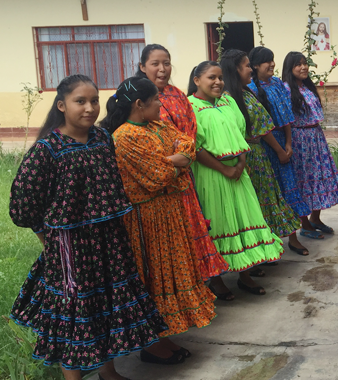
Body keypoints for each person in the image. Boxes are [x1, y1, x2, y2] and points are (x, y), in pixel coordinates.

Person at [8, 74, 166, 380]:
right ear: (62, 106)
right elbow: (24, 205)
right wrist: (49, 240)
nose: (90, 108)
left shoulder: (102, 139)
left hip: (110, 242)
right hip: (71, 249)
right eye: (80, 101)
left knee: (105, 305)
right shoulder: (47, 150)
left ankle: (109, 372)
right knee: (75, 313)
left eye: (94, 100)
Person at [101, 76, 216, 364]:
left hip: (169, 214)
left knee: (174, 275)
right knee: (156, 278)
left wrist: (176, 159)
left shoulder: (156, 125)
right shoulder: (124, 137)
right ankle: (152, 345)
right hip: (147, 222)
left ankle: (164, 335)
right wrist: (175, 163)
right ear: (139, 104)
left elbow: (187, 143)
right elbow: (157, 177)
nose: (160, 105)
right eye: (155, 101)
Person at [188, 60, 284, 299]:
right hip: (211, 175)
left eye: (220, 77)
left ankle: (245, 274)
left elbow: (241, 134)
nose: (218, 82)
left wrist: (240, 164)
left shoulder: (229, 102)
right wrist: (223, 169)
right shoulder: (189, 107)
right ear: (197, 80)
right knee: (220, 223)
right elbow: (195, 147)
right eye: (211, 77)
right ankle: (217, 280)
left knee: (244, 219)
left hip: (239, 173)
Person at [137, 43, 229, 280]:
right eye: (155, 64)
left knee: (192, 229)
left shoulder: (177, 94)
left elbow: (190, 131)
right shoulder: (137, 97)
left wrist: (183, 156)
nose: (162, 69)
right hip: (156, 182)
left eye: (166, 63)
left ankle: (204, 281)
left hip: (184, 173)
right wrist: (170, 160)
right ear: (142, 67)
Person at [220, 49, 301, 242]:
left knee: (267, 199)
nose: (250, 70)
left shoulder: (245, 93)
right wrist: (280, 150)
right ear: (236, 70)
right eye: (247, 66)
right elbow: (260, 130)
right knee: (254, 203)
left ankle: (266, 244)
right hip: (247, 158)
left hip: (259, 157)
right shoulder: (228, 99)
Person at [247, 46, 314, 256]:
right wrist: (278, 150)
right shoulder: (251, 89)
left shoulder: (276, 83)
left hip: (283, 143)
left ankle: (293, 238)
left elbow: (286, 115)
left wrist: (288, 144)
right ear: (255, 65)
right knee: (269, 194)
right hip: (266, 146)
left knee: (289, 189)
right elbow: (261, 125)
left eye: (273, 60)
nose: (272, 64)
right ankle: (270, 242)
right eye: (267, 61)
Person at [281, 52, 338, 239]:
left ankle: (315, 219)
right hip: (300, 140)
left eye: (305, 64)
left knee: (319, 178)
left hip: (315, 138)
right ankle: (305, 225)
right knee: (303, 181)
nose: (303, 67)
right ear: (290, 68)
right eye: (298, 65)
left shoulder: (307, 87)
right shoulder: (286, 89)